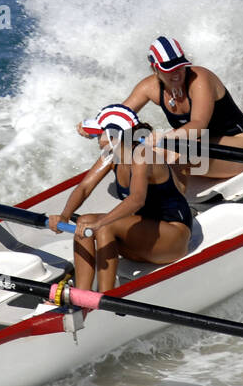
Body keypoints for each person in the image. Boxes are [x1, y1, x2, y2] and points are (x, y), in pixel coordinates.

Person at [51, 105, 192, 293]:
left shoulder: (142, 156)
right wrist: (64, 216)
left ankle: (106, 298)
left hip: (173, 237)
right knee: (83, 222)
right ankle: (82, 296)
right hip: (146, 235)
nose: (97, 139)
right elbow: (84, 188)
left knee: (105, 225)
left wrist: (100, 222)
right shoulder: (111, 155)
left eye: (100, 134)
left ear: (114, 136)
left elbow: (136, 200)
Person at [81, 37, 243, 182]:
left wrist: (164, 138)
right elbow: (118, 118)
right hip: (199, 145)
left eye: (180, 67)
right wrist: (95, 128)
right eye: (169, 69)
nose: (177, 74)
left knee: (173, 151)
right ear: (155, 69)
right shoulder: (148, 88)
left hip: (240, 145)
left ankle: (177, 209)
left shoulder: (200, 79)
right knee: (129, 153)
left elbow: (198, 125)